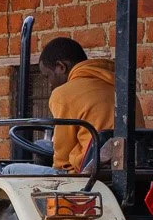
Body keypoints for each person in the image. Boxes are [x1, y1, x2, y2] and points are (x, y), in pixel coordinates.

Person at [40, 37, 115, 173]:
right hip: (119, 171)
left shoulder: (63, 94)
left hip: (84, 177)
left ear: (61, 67)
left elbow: (61, 159)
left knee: (7, 170)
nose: (49, 84)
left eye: (47, 76)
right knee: (41, 145)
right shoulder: (120, 87)